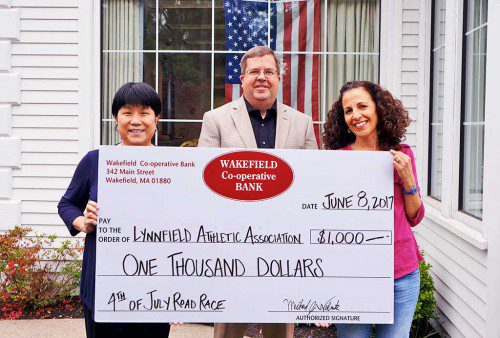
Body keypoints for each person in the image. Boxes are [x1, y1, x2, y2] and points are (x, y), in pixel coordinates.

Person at [198, 45, 318, 338]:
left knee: (280, 321)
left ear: (279, 78)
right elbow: (200, 182)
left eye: (268, 71)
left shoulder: (301, 123)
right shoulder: (216, 119)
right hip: (232, 240)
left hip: (285, 241)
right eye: (254, 71)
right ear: (242, 78)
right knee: (230, 324)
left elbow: (314, 181)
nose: (261, 77)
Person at [58, 82, 171, 338]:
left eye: (144, 113)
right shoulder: (95, 160)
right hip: (103, 283)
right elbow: (66, 204)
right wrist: (82, 223)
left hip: (154, 285)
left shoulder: (173, 166)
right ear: (115, 119)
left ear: (156, 119)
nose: (136, 121)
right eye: (127, 112)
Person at [320, 81, 424, 337]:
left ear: (378, 109)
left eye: (362, 106)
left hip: (401, 272)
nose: (356, 115)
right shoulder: (337, 160)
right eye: (348, 110)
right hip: (353, 274)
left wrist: (408, 179)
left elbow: (415, 216)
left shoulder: (402, 154)